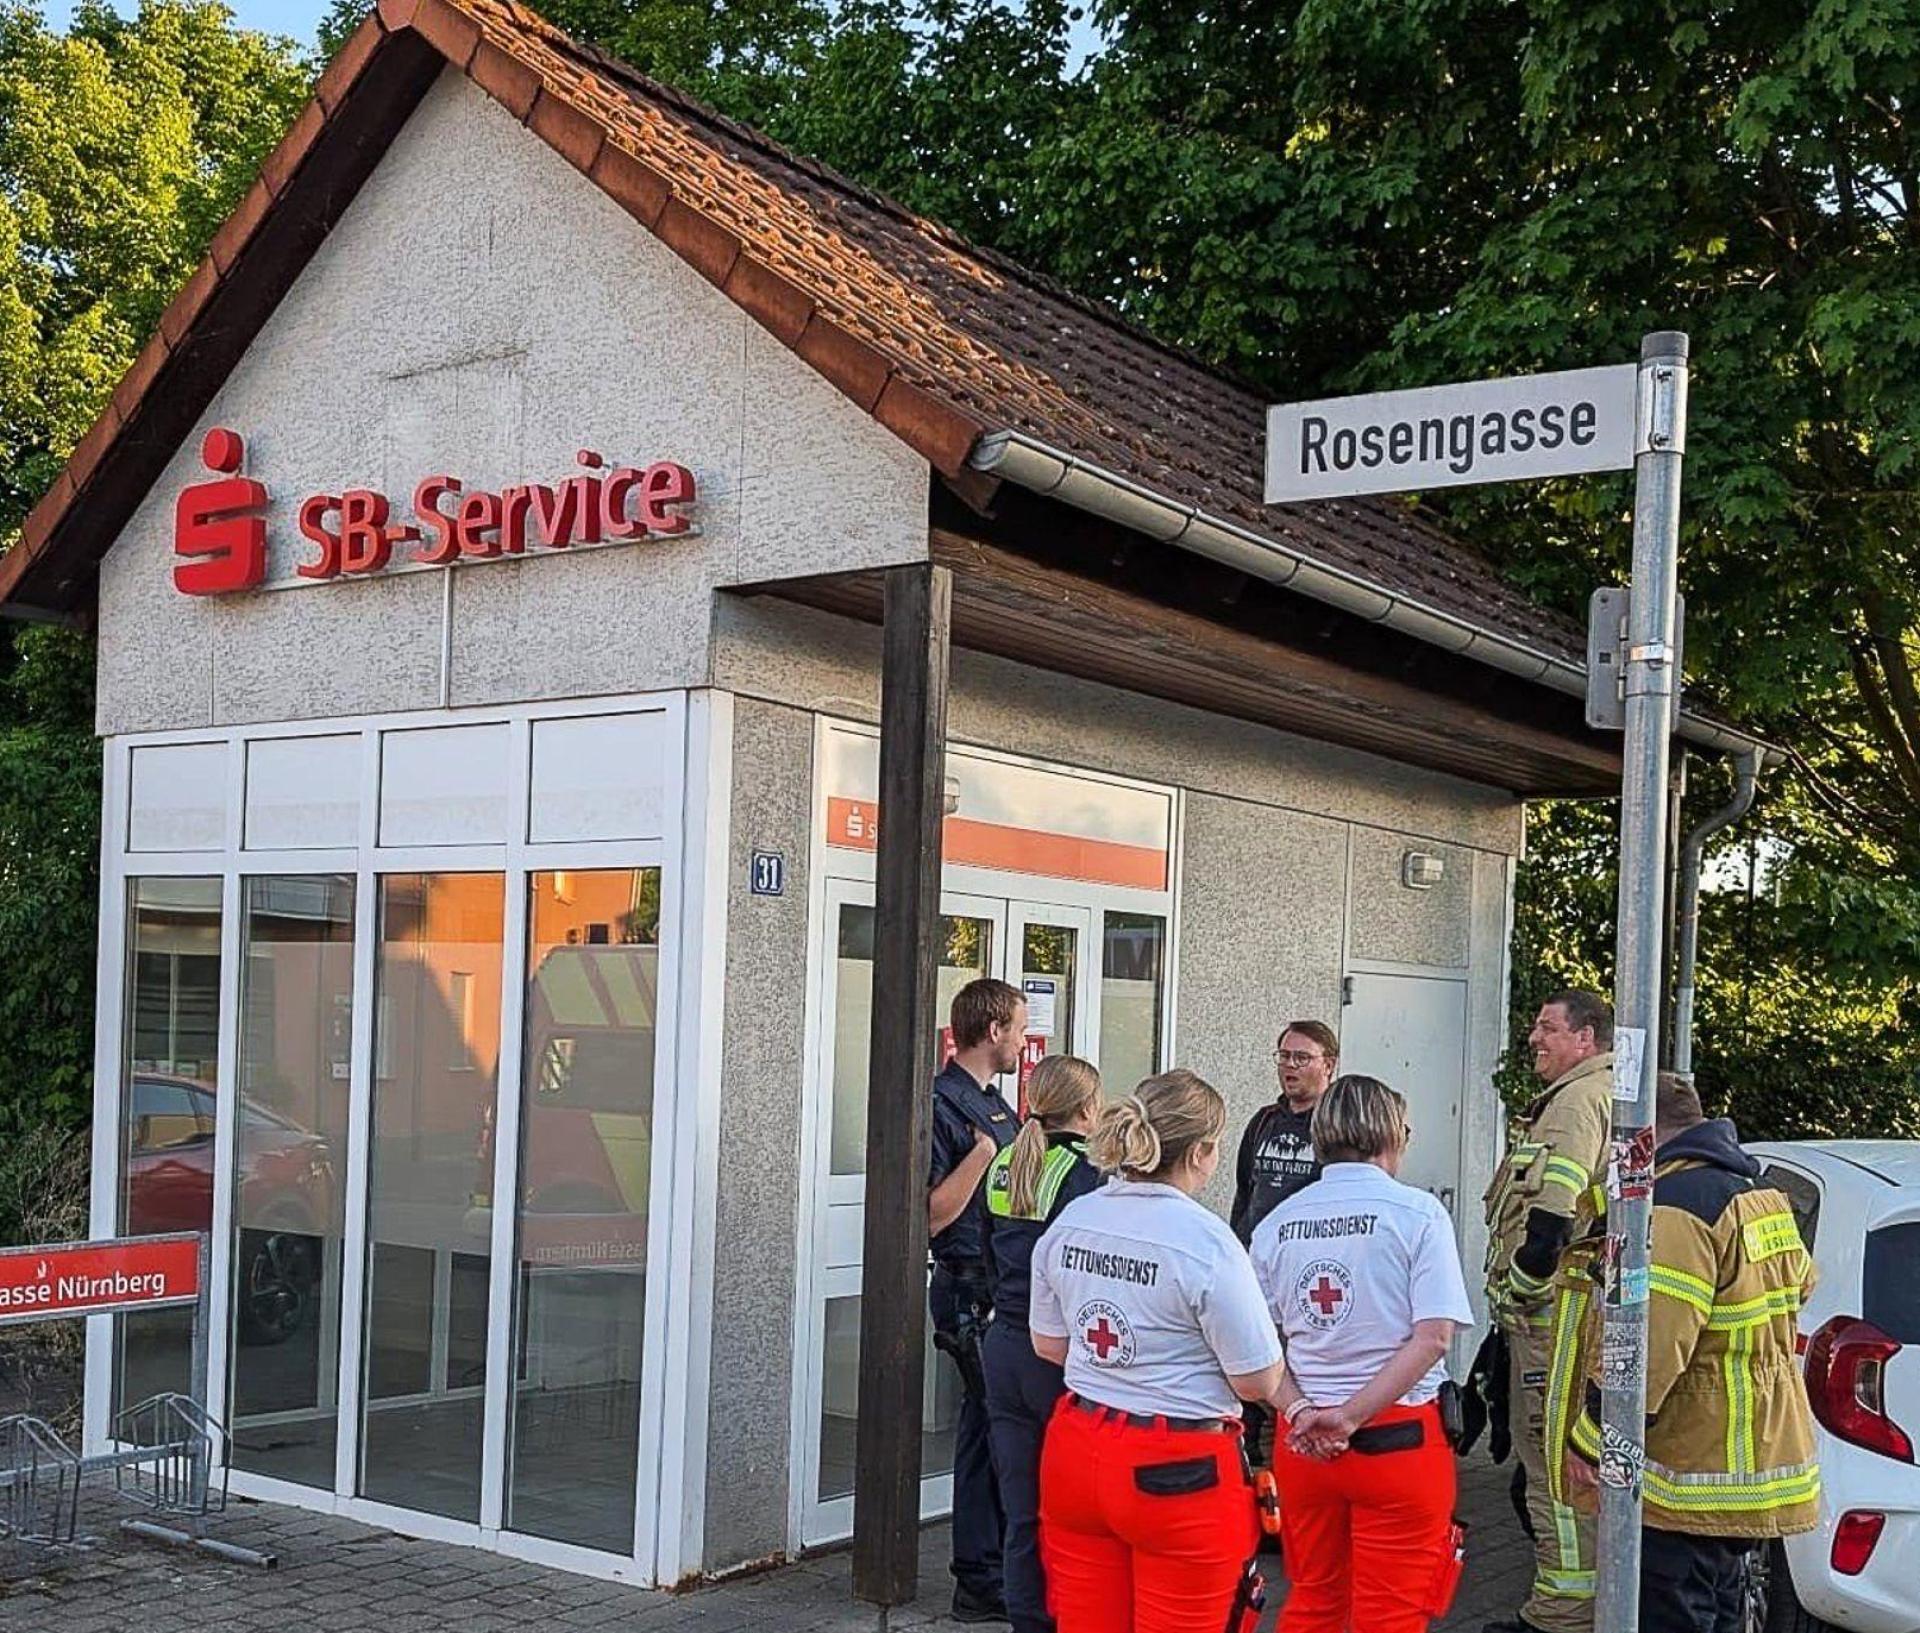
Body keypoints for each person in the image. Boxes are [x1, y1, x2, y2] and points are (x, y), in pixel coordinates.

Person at [1029, 1070, 1289, 1633]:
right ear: (1201, 1152)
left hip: (1076, 1454)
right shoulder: (1207, 1241)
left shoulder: (1073, 1220)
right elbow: (1257, 1382)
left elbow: (1049, 1344)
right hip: (1179, 1472)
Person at [1564, 1076, 1819, 1633]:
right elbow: (1801, 1287)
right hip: (1747, 1461)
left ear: (1645, 1136)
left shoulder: (1675, 1208)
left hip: (1685, 1465)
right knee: (1721, 1611)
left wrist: (1590, 1439)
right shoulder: (1759, 1195)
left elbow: (1650, 1346)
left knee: (1670, 1613)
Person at [1251, 1074, 1475, 1633]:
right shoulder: (1418, 1215)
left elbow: (1256, 1348)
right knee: (1392, 1613)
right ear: (1392, 1136)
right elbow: (1434, 1337)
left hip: (1303, 1448)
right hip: (1398, 1443)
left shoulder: (1277, 1223)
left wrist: (1302, 1411)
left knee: (1313, 1600)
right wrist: (1349, 1417)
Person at [1482, 989, 1614, 1633]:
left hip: (1551, 1328)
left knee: (1552, 1469)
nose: (1535, 1038)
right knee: (1552, 1465)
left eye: (1548, 1028)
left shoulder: (1576, 1103)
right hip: (1556, 1321)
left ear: (1585, 1039)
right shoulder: (1583, 1098)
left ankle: (1561, 1615)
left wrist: (1518, 1291)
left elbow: (1550, 1222)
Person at [982, 1055, 1105, 1633]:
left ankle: (1027, 1621)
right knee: (1072, 1510)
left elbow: (984, 1251)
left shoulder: (1006, 1160)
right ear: (1087, 1109)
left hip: (1002, 1346)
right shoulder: (1083, 1175)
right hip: (1055, 1354)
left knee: (1021, 1509)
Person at [930, 976, 1027, 1622]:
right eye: (1019, 1027)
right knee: (989, 1436)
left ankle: (987, 1571)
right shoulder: (943, 1104)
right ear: (993, 1030)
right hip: (966, 1284)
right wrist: (984, 1156)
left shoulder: (994, 1102)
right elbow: (933, 1213)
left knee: (987, 1431)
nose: (1024, 1039)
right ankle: (979, 1577)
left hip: (999, 1281)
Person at [1231, 1018, 1337, 1469]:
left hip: (1309, 1284)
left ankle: (1291, 1481)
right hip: (1257, 1278)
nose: (1289, 1067)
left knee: (1294, 1387)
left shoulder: (1334, 1126)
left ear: (1328, 1065)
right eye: (1284, 1057)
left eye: (1301, 1058)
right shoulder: (1264, 1122)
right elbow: (1244, 1194)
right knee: (1252, 1385)